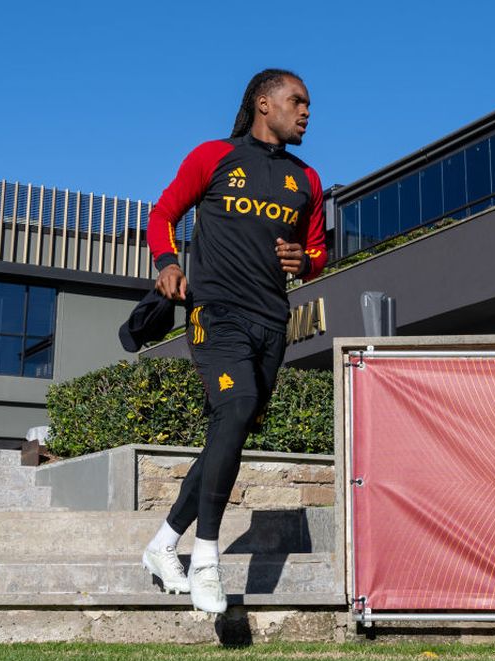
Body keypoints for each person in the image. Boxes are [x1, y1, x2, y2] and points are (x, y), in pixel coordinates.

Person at [140, 69, 327, 613]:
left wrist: (306, 260)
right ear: (264, 103)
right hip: (216, 314)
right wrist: (168, 262)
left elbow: (315, 256)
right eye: (298, 101)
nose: (307, 112)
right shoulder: (213, 156)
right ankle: (206, 559)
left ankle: (161, 544)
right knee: (238, 405)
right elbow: (162, 214)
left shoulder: (307, 180)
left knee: (233, 428)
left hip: (272, 323)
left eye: (309, 104)